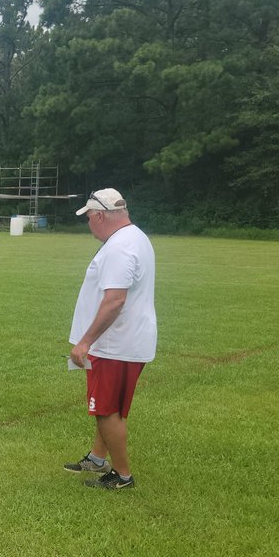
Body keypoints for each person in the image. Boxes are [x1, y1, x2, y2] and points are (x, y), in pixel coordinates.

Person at [66, 188, 157, 490]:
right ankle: (97, 457)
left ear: (101, 215)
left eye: (89, 217)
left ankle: (122, 476)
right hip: (121, 341)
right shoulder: (134, 238)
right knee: (104, 404)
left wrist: (85, 341)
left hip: (115, 344)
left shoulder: (120, 247)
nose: (88, 223)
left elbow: (115, 300)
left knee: (106, 410)